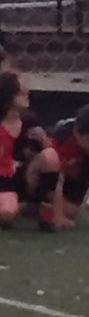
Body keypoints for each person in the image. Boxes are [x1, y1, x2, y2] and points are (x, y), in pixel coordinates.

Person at [0, 71, 31, 228]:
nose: (27, 92)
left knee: (7, 213)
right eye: (21, 91)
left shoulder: (30, 122)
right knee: (6, 212)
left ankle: (34, 204)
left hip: (15, 178)